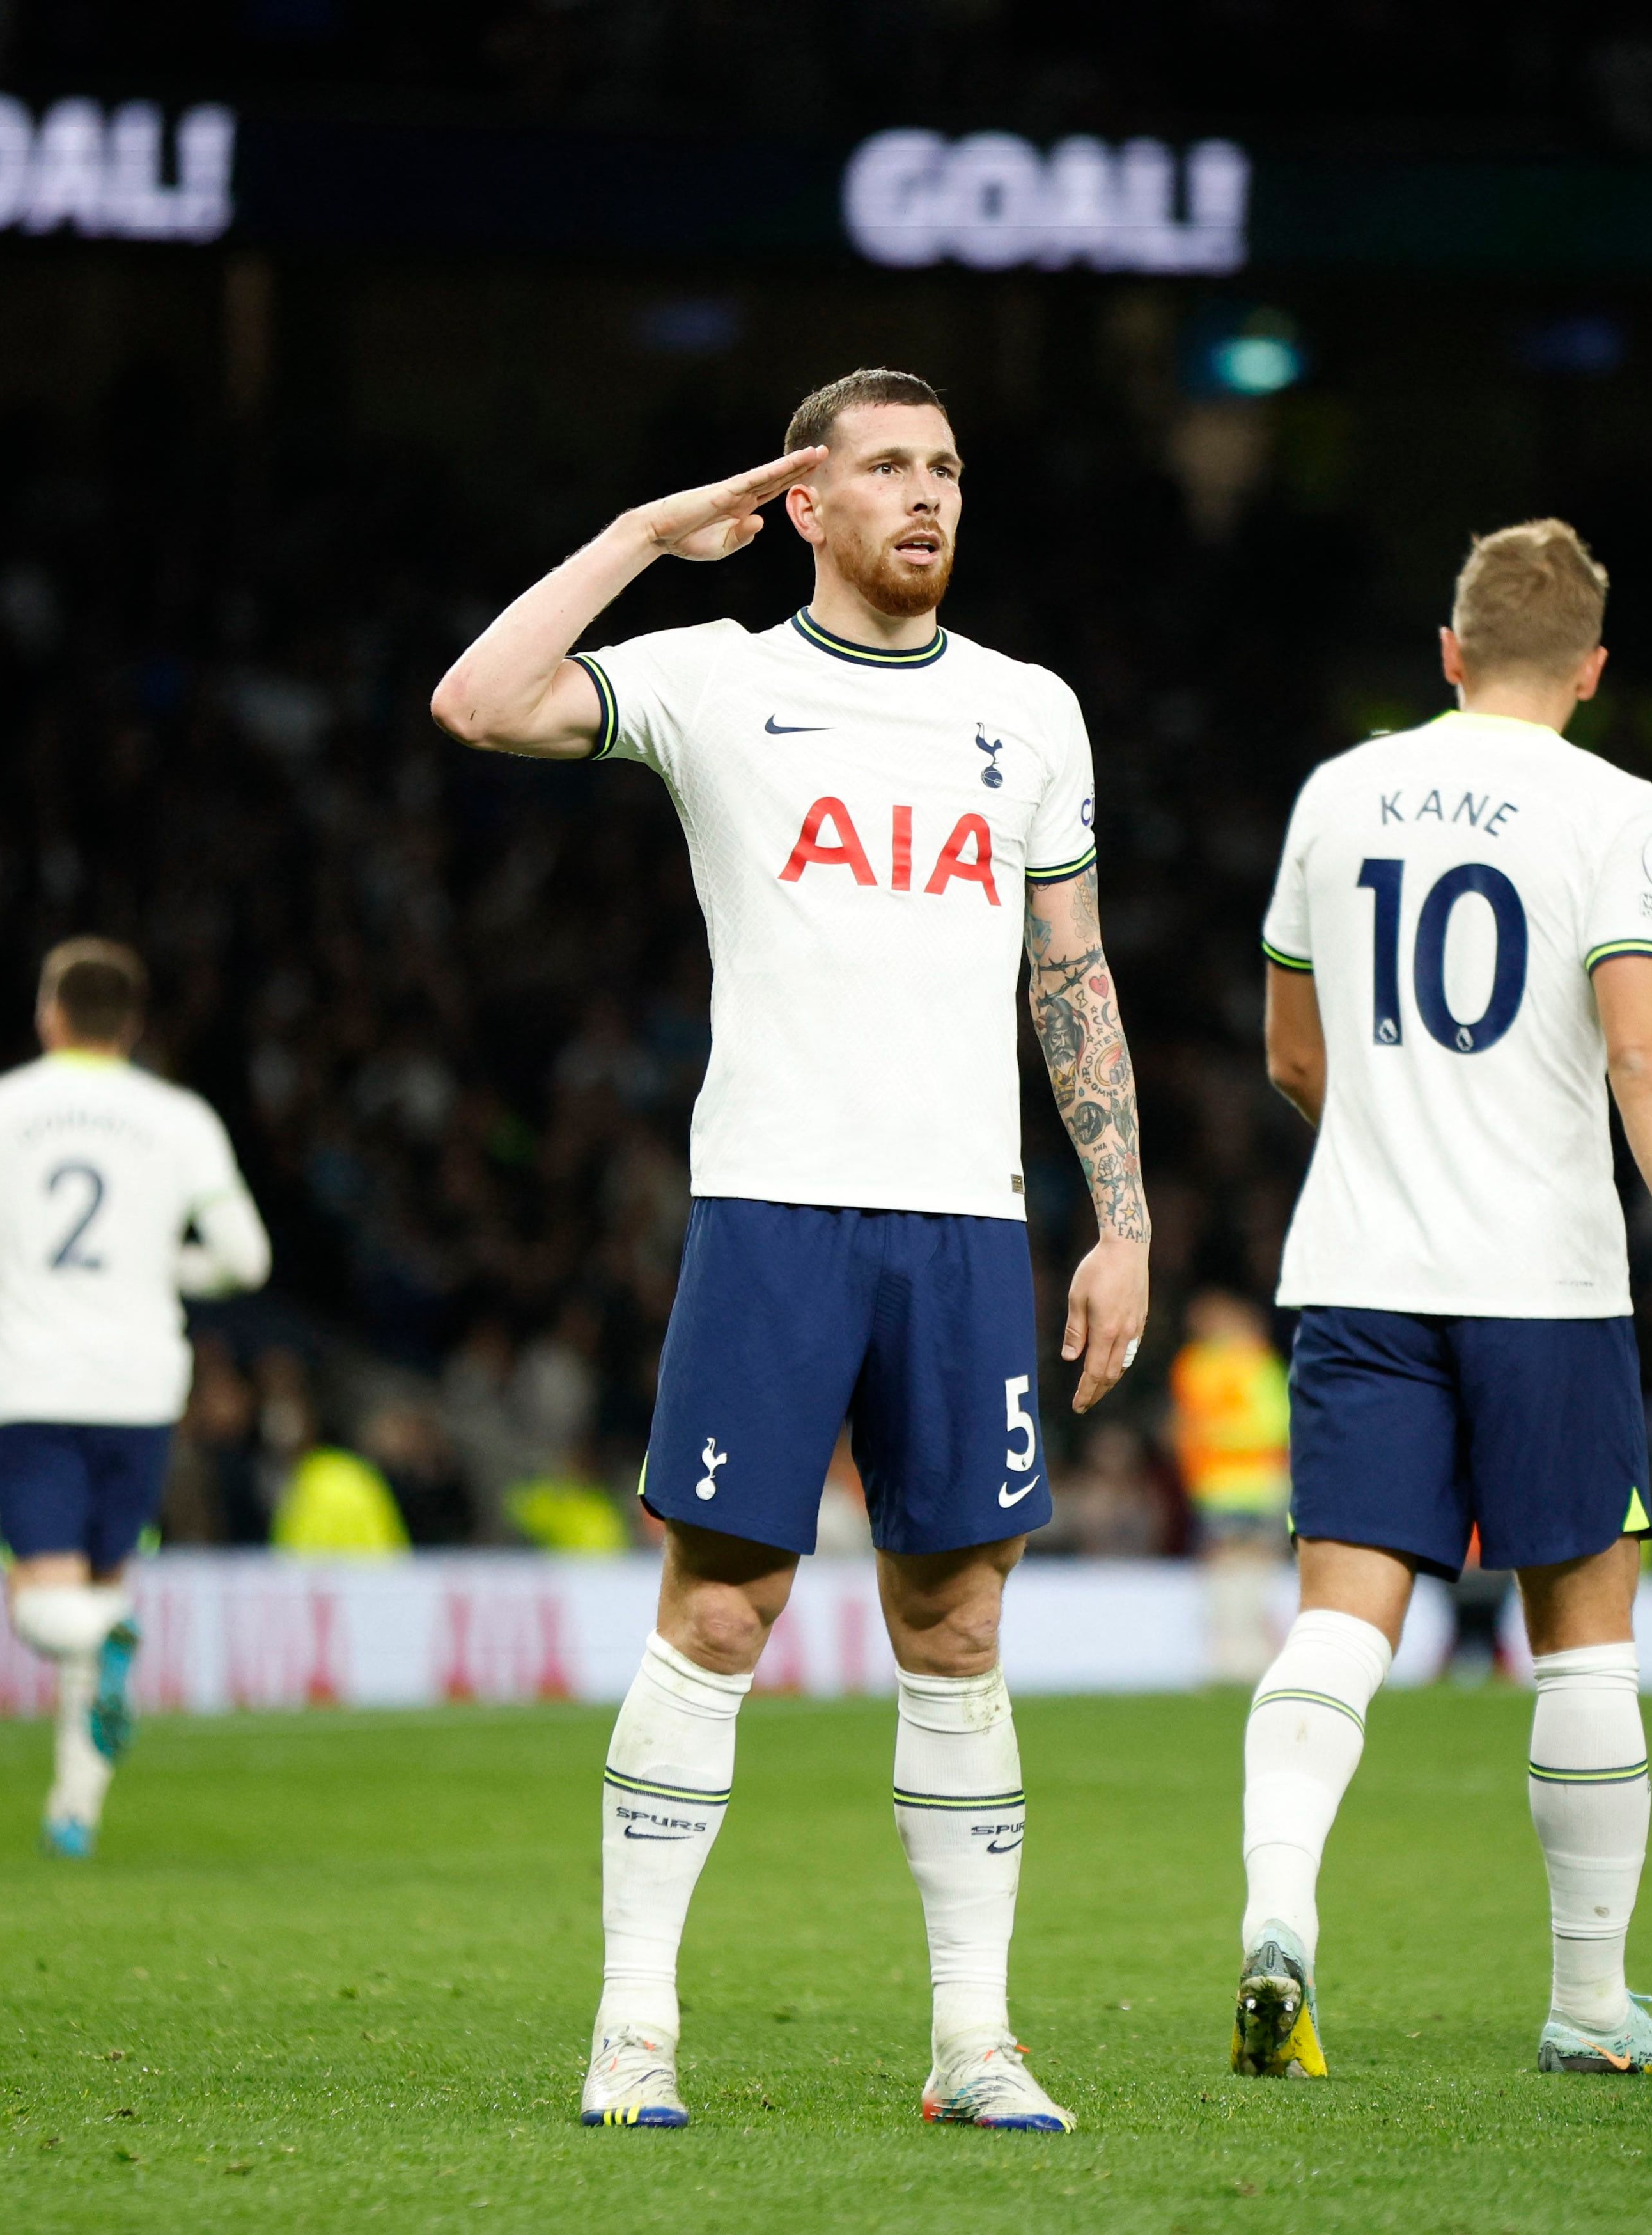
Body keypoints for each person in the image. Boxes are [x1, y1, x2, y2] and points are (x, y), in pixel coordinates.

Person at [432, 368, 1150, 2133]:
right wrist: (641, 539)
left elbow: (1071, 967)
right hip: (773, 1207)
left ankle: (973, 2040)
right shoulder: (721, 678)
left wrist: (1121, 1213)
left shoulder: (1031, 710)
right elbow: (478, 697)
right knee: (724, 1603)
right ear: (808, 501)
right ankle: (635, 2026)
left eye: (949, 468)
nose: (928, 495)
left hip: (969, 1218)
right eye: (888, 467)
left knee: (960, 1613)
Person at [1235, 519, 1652, 2084]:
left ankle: (1279, 1930)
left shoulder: (1338, 790)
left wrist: (1400, 1147)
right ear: (1594, 671)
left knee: (1340, 1619)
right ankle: (1589, 2004)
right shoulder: (1614, 807)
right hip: (1545, 1283)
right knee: (1583, 1638)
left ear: (1448, 654)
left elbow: (1289, 1053)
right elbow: (1645, 1053)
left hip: (1360, 1269)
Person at [0, 939, 270, 1857]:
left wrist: (11, 1256)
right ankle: (75, 1809)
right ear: (133, 1024)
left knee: (45, 1603)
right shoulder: (178, 1117)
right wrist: (168, 1263)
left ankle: (110, 1643)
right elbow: (246, 1257)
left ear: (48, 1014)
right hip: (143, 1384)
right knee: (104, 1580)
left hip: (33, 1382)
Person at [1171, 1288, 1295, 1680]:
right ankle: (1226, 1655)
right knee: (1223, 1568)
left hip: (1259, 1483)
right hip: (1217, 1486)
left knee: (1258, 1569)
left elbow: (1276, 1424)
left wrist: (1217, 1434)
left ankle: (1257, 1654)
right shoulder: (1195, 1365)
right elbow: (1185, 1426)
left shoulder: (1258, 1362)